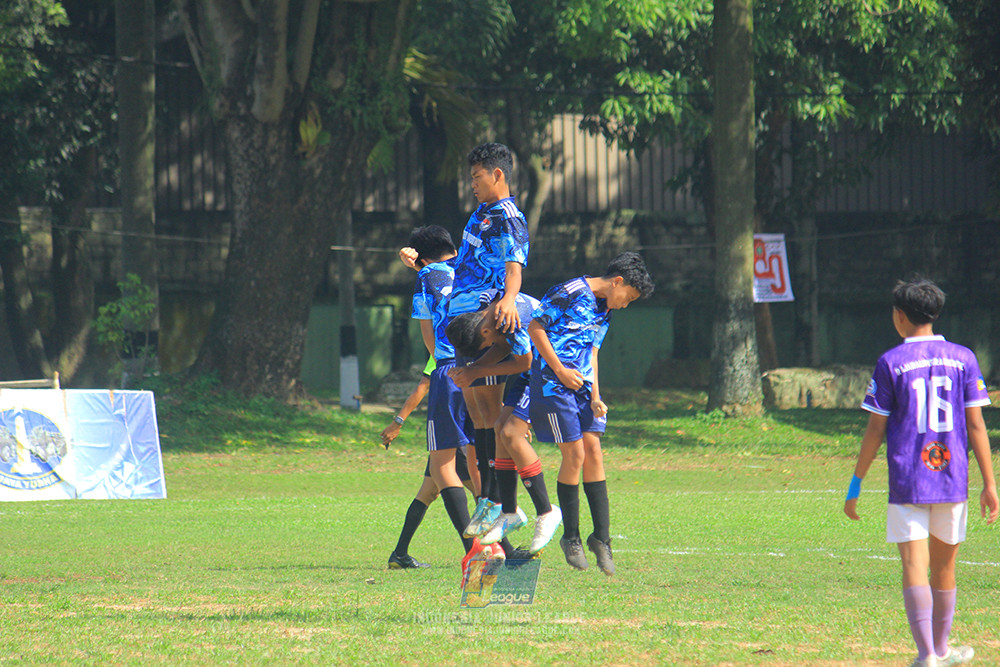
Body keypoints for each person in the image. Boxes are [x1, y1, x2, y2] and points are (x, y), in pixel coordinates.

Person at [844, 278, 998, 667]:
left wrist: (856, 482)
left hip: (908, 479)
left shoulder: (891, 362)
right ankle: (942, 649)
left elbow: (875, 429)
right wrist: (990, 483)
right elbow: (977, 426)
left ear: (899, 316)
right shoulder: (964, 358)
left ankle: (927, 654)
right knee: (944, 567)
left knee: (914, 565)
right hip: (952, 479)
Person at [400, 143, 530, 539]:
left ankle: (504, 504)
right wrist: (422, 263)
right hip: (463, 324)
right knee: (477, 415)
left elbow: (514, 263)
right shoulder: (479, 215)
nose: (471, 183)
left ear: (498, 175)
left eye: (476, 176)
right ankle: (491, 503)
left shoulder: (508, 216)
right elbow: (464, 265)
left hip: (484, 319)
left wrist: (507, 299)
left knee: (490, 415)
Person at [527, 252, 654, 576]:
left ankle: (601, 538)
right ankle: (570, 537)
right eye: (629, 298)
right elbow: (534, 327)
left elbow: (592, 352)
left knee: (594, 450)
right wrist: (559, 370)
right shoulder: (569, 292)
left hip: (584, 390)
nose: (626, 305)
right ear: (617, 282)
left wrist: (596, 395)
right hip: (553, 385)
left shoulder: (606, 309)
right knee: (575, 453)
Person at [446, 289, 563, 554]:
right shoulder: (489, 307)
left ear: (485, 332)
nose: (486, 350)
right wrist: (472, 370)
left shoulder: (512, 320)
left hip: (551, 369)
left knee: (510, 433)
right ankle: (508, 511)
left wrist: (477, 370)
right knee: (500, 427)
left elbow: (523, 362)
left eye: (483, 347)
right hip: (536, 369)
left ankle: (546, 511)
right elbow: (503, 347)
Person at [383, 356, 475, 569]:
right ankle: (485, 551)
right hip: (453, 431)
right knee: (480, 488)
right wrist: (398, 421)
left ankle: (399, 553)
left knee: (428, 492)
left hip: (457, 427)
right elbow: (423, 386)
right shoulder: (443, 352)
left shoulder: (462, 346)